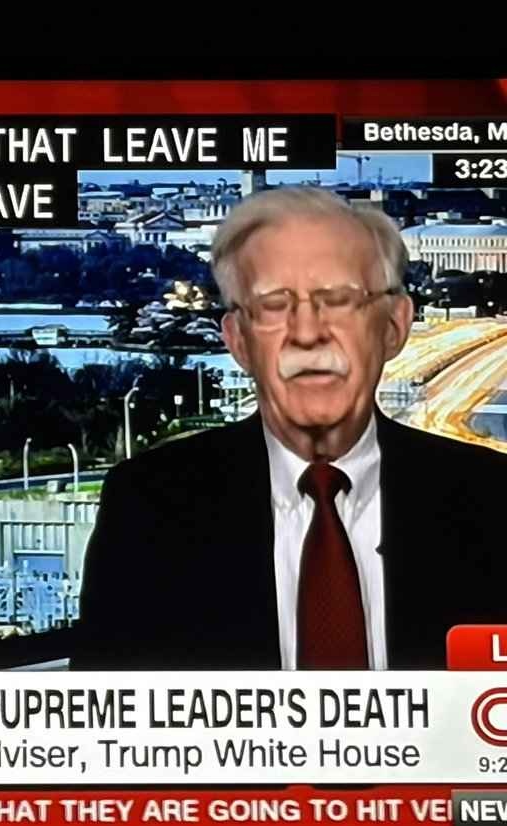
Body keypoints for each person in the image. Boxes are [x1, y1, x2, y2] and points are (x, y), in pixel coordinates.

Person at [73, 187, 507, 671]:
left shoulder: (493, 502)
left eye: (340, 300)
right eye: (274, 305)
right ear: (238, 340)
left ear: (393, 327)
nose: (307, 333)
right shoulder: (148, 508)